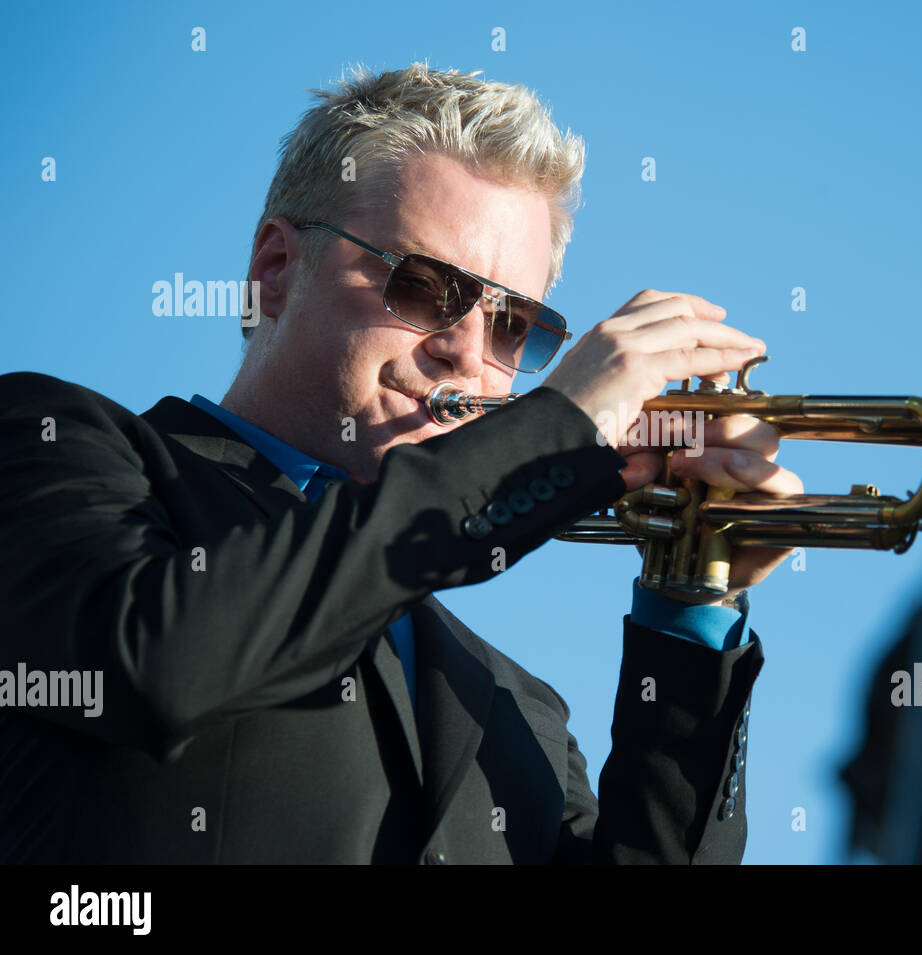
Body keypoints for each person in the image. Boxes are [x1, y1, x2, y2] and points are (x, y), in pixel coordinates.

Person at [0, 64, 802, 864]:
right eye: (424, 288)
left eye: (512, 325)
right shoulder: (50, 440)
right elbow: (155, 663)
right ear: (275, 271)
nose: (466, 352)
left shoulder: (518, 710)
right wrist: (558, 430)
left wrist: (694, 598)